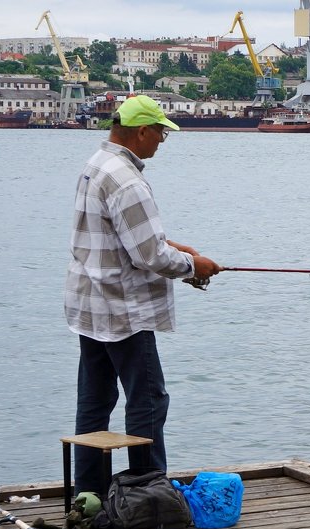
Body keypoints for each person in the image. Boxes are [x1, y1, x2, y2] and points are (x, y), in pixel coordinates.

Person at [65, 95, 222, 495]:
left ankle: (90, 494)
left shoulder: (96, 165)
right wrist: (194, 267)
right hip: (125, 310)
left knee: (95, 403)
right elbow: (149, 254)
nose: (162, 141)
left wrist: (178, 248)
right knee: (148, 401)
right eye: (160, 133)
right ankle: (145, 493)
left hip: (91, 304)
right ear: (141, 131)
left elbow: (125, 237)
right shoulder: (128, 181)